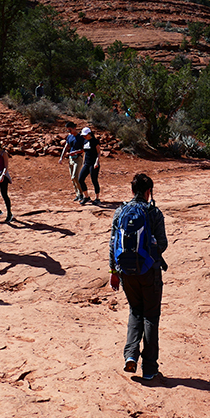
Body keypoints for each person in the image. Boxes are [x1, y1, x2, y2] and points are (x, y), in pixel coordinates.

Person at [109, 173, 168, 380]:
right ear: (148, 191)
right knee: (150, 315)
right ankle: (150, 368)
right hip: (149, 272)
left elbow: (112, 244)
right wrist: (150, 254)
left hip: (126, 272)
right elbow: (163, 244)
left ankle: (130, 356)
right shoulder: (154, 212)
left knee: (135, 311)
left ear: (132, 190)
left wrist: (113, 272)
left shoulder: (120, 212)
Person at [58, 122, 84, 202]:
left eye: (70, 130)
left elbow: (85, 149)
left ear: (74, 128)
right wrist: (61, 157)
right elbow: (66, 147)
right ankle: (78, 194)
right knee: (72, 179)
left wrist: (75, 152)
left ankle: (82, 194)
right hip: (71, 159)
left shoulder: (81, 137)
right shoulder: (69, 137)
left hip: (78, 158)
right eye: (68, 130)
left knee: (75, 177)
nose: (69, 132)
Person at [78, 127, 101, 205]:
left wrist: (96, 162)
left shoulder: (95, 141)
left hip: (93, 163)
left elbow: (98, 153)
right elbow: (85, 152)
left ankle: (97, 198)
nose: (84, 137)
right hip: (87, 163)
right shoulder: (85, 141)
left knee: (94, 180)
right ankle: (86, 197)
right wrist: (84, 162)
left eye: (85, 135)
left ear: (89, 134)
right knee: (80, 179)